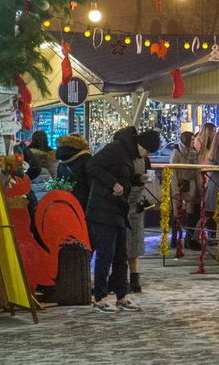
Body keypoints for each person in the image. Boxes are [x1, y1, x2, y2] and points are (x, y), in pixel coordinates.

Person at [86, 126, 160, 313]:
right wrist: (113, 183)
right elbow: (92, 166)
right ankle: (100, 298)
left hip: (118, 209)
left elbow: (124, 178)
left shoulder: (129, 155)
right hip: (102, 209)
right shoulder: (116, 149)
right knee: (105, 255)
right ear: (140, 144)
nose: (146, 156)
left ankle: (122, 296)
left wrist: (138, 179)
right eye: (147, 151)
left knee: (121, 255)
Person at [170, 132, 202, 250]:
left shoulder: (194, 153)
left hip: (190, 184)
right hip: (179, 184)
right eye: (192, 140)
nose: (194, 141)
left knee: (190, 211)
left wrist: (200, 188)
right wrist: (175, 189)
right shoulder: (177, 152)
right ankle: (175, 238)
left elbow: (197, 171)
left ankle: (188, 238)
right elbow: (173, 171)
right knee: (177, 212)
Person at [127, 155, 151, 293]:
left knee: (134, 242)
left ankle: (134, 279)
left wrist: (148, 178)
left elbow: (148, 174)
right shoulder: (124, 157)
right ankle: (132, 279)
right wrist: (139, 178)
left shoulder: (144, 158)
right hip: (126, 201)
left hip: (136, 202)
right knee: (128, 242)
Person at [55, 133, 92, 212]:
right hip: (83, 199)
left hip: (64, 198)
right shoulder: (86, 158)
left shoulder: (61, 160)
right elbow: (91, 181)